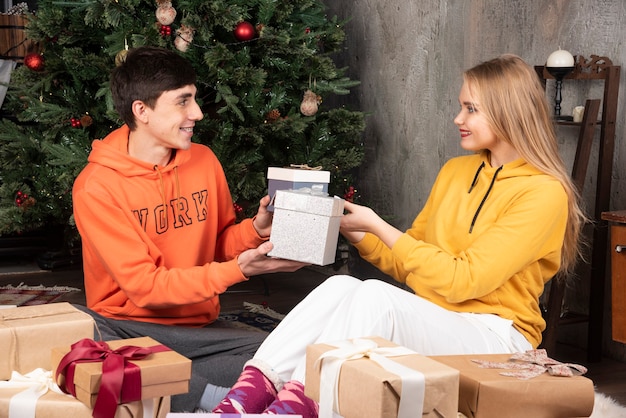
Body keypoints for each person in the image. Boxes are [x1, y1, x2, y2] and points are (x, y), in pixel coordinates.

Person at [209, 54, 586, 417]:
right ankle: (241, 402)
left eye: (471, 108)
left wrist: (377, 224)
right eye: (461, 106)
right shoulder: (456, 171)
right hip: (435, 318)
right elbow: (406, 261)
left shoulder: (543, 193)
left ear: (509, 111)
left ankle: (297, 409)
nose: (458, 118)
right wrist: (353, 229)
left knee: (374, 295)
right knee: (340, 287)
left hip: (496, 336)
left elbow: (462, 281)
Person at [71, 46, 306, 412]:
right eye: (183, 101)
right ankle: (204, 392)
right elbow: (145, 288)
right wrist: (239, 270)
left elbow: (219, 242)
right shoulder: (96, 186)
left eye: (194, 99)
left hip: (199, 330)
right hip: (125, 328)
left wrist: (256, 230)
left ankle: (192, 390)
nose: (196, 113)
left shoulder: (203, 160)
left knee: (287, 355)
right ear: (141, 111)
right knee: (85, 341)